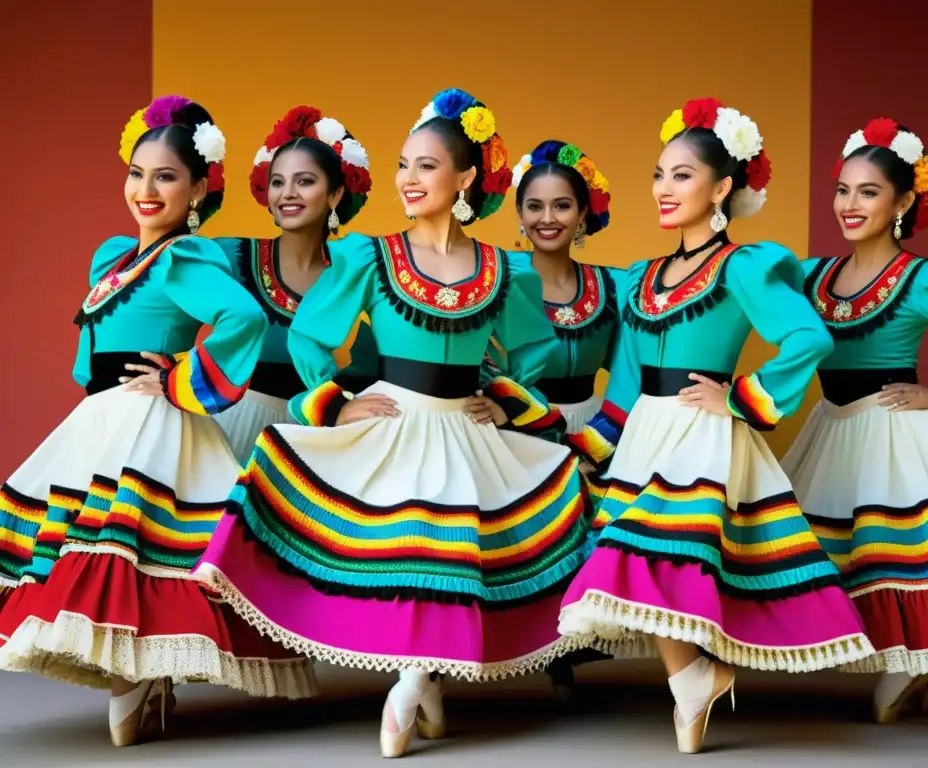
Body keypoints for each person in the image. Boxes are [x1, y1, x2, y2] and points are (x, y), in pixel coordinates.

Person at [195, 88, 592, 758]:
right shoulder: (371, 257)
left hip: (462, 430)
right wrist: (337, 404)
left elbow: (537, 349)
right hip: (395, 422)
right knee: (404, 556)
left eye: (427, 166)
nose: (409, 178)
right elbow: (310, 342)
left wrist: (503, 401)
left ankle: (416, 685)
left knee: (448, 563)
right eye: (404, 164)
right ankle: (418, 683)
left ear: (465, 178)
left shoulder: (500, 268)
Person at [558, 97, 874, 754]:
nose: (664, 189)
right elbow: (622, 382)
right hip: (646, 431)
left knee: (655, 554)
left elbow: (806, 338)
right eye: (659, 174)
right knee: (632, 560)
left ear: (723, 187)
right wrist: (588, 446)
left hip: (702, 435)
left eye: (682, 175)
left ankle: (697, 677)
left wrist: (739, 398)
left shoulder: (743, 267)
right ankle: (696, 676)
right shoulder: (640, 278)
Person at [0, 96, 316, 747]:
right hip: (105, 418)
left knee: (137, 553)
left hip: (152, 420)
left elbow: (244, 320)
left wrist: (178, 380)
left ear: (199, 188)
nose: (146, 190)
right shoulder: (114, 256)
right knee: (105, 550)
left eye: (166, 177)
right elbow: (92, 354)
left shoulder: (186, 258)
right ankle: (139, 682)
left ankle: (140, 681)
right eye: (137, 174)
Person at [782, 117, 928, 723]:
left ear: (903, 201)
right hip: (831, 426)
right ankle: (892, 657)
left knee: (901, 548)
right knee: (837, 550)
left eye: (867, 191)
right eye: (842, 189)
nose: (849, 203)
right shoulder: (812, 277)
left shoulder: (920, 279)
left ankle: (911, 658)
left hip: (892, 428)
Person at [499, 140, 619, 699]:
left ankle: (571, 647)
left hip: (594, 423)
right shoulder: (495, 277)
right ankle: (519, 644)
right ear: (519, 214)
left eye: (562, 205)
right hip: (516, 423)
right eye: (535, 206)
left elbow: (631, 369)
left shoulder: (614, 286)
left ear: (583, 213)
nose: (547, 218)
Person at [212, 105, 377, 461]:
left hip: (318, 437)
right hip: (234, 432)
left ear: (334, 195)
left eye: (304, 181)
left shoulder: (357, 272)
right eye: (278, 182)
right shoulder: (231, 258)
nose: (287, 193)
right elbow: (162, 301)